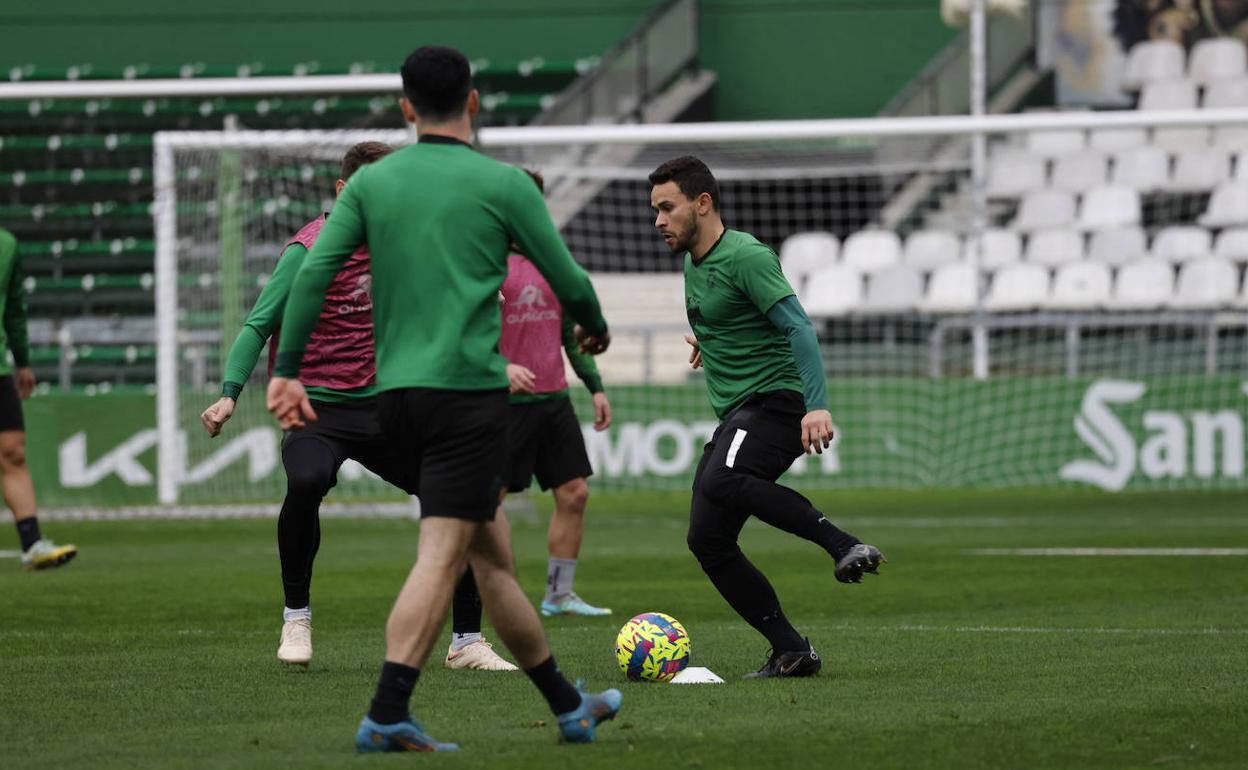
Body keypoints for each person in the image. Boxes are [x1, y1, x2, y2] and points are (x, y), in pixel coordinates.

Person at [266, 45, 621, 752]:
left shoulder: (372, 184)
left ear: (405, 108)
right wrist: (597, 328)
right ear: (475, 102)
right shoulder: (502, 184)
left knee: (490, 559)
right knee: (442, 555)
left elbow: (312, 277)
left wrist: (290, 369)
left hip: (394, 395)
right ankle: (388, 710)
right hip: (466, 397)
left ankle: (567, 705)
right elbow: (568, 279)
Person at [200, 142, 512, 672]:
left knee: (463, 496)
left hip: (388, 410)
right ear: (344, 191)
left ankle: (466, 641)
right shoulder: (307, 250)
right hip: (318, 409)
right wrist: (230, 392)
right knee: (306, 480)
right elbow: (260, 323)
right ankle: (296, 616)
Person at [647, 156, 885, 679]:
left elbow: (798, 327)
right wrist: (709, 343)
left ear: (702, 203)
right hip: (742, 409)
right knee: (706, 540)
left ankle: (843, 544)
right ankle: (792, 650)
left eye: (667, 208)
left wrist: (817, 404)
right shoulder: (693, 262)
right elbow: (732, 320)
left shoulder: (746, 255)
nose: (659, 220)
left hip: (777, 403)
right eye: (655, 211)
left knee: (726, 476)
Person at [497, 169, 613, 619]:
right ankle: (494, 595)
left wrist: (596, 386)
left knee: (574, 493)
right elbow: (464, 331)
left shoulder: (554, 260)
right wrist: (500, 366)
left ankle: (558, 594)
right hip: (502, 405)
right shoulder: (484, 261)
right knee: (488, 503)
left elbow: (568, 334)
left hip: (553, 399)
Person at [0, 227, 76, 571]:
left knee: (13, 450)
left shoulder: (7, 244)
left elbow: (13, 307)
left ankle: (32, 544)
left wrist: (22, 359)